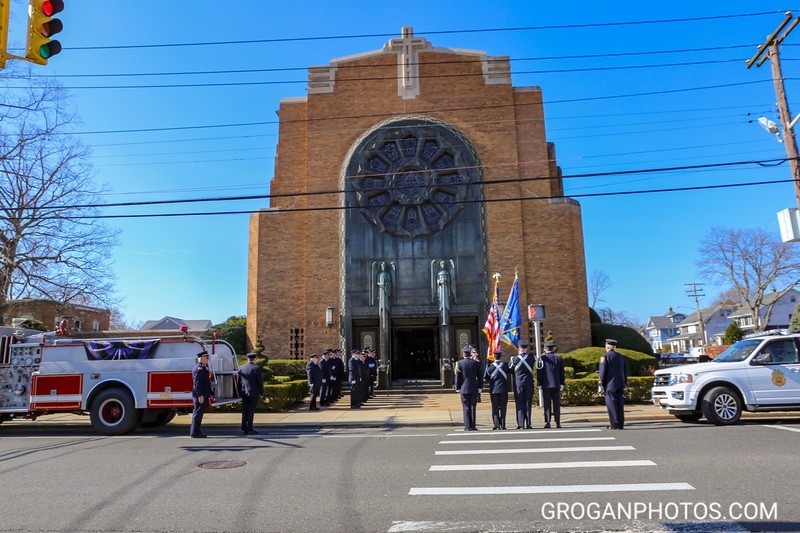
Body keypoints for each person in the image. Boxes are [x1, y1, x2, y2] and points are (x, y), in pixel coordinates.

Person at [599, 338, 627, 429]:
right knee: (620, 405)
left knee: (612, 405)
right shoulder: (621, 356)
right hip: (620, 384)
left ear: (607, 347)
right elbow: (625, 371)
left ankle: (614, 424)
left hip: (610, 385)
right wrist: (625, 383)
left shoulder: (605, 356)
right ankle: (620, 424)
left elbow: (602, 372)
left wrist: (601, 384)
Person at [537, 342, 565, 428]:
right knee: (556, 403)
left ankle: (548, 421)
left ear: (545, 349)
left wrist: (539, 383)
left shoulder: (541, 358)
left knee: (547, 404)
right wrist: (562, 383)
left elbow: (540, 372)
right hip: (556, 384)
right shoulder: (559, 358)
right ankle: (558, 422)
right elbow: (562, 372)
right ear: (553, 349)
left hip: (546, 384)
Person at [455, 345, 482, 431]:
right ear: (470, 354)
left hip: (464, 387)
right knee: (473, 407)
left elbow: (458, 377)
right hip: (474, 387)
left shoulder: (460, 363)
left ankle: (467, 426)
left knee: (466, 407)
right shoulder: (476, 363)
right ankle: (473, 425)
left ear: (463, 354)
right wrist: (480, 387)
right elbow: (480, 377)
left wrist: (457, 387)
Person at [237, 352, 264, 435]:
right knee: (251, 411)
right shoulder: (256, 368)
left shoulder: (241, 367)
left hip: (243, 392)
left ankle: (243, 427)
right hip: (253, 392)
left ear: (247, 359)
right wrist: (262, 392)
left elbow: (238, 382)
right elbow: (259, 381)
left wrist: (239, 392)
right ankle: (250, 428)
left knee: (244, 410)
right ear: (255, 359)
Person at [509, 340, 534, 429]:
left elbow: (510, 370)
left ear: (519, 348)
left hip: (518, 384)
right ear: (526, 348)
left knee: (519, 403)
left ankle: (520, 424)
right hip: (529, 383)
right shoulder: (531, 358)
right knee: (528, 402)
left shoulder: (514, 359)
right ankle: (528, 423)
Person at [484, 349, 509, 430]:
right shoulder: (505, 365)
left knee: (495, 408)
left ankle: (496, 425)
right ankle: (503, 424)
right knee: (503, 407)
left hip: (494, 390)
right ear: (500, 356)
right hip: (503, 389)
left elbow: (486, 378)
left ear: (494, 357)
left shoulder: (490, 367)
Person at [190, 350, 213, 438]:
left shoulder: (202, 367)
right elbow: (197, 383)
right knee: (198, 413)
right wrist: (200, 395)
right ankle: (195, 432)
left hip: (202, 394)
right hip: (200, 394)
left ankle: (196, 431)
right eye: (206, 358)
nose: (208, 359)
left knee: (198, 413)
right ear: (202, 358)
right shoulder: (199, 368)